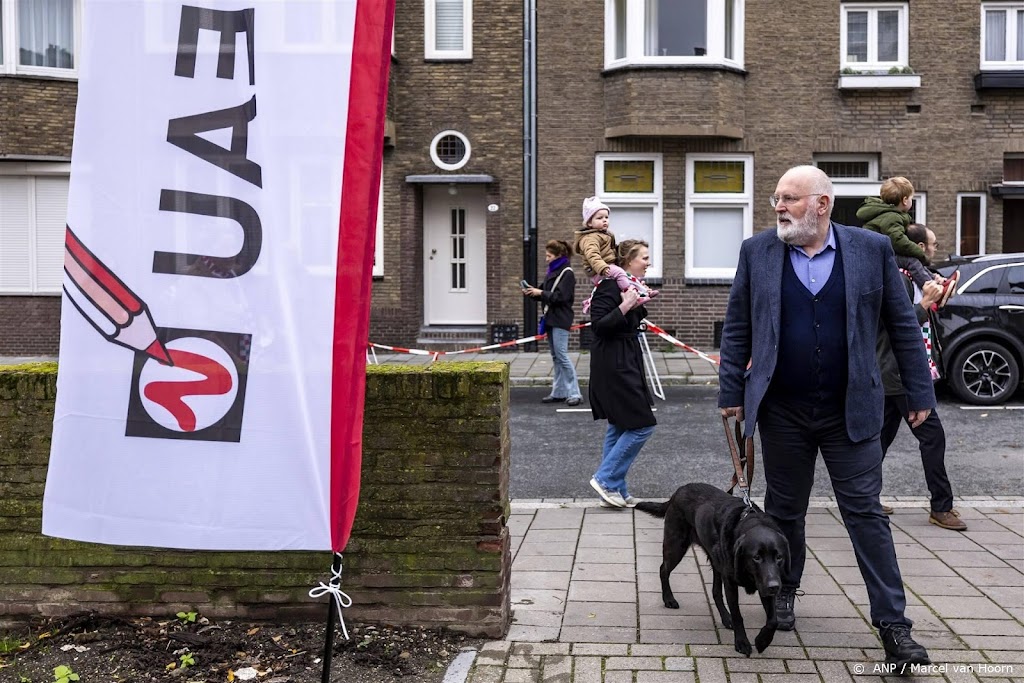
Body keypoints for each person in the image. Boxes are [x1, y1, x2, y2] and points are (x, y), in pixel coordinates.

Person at [718, 165, 935, 671]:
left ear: (822, 204)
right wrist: (733, 391)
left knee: (865, 515)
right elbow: (737, 326)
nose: (778, 206)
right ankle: (783, 592)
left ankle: (894, 627)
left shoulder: (869, 250)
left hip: (852, 409)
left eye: (790, 199)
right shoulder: (758, 252)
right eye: (776, 198)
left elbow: (902, 324)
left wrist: (918, 390)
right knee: (786, 510)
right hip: (783, 409)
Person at [877, 223, 967, 531]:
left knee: (879, 440)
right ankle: (941, 507)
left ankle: (864, 498)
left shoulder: (916, 278)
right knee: (932, 437)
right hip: (900, 373)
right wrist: (925, 304)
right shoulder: (898, 281)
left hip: (898, 372)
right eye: (930, 244)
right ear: (915, 247)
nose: (932, 250)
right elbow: (894, 326)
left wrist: (934, 297)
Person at [587, 239, 656, 509]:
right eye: (644, 258)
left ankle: (616, 489)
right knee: (642, 425)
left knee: (619, 425)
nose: (648, 262)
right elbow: (599, 326)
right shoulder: (608, 286)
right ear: (627, 261)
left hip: (625, 358)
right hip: (614, 364)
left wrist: (640, 300)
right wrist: (627, 305)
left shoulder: (628, 285)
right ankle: (605, 479)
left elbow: (628, 321)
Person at [856, 176, 959, 305]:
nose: (911, 201)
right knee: (912, 261)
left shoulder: (887, 214)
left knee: (913, 262)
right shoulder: (892, 217)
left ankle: (937, 282)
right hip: (877, 258)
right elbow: (897, 240)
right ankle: (933, 292)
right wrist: (919, 252)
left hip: (876, 256)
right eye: (911, 198)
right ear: (905, 200)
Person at [522, 240, 583, 406]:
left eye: (549, 256)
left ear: (559, 255)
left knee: (562, 356)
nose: (546, 259)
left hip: (561, 319)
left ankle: (575, 393)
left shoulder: (567, 273)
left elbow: (560, 297)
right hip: (551, 319)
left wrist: (540, 292)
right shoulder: (552, 272)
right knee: (556, 357)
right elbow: (544, 293)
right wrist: (531, 292)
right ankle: (559, 392)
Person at [573, 197, 657, 314]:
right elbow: (592, 255)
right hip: (597, 268)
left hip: (606, 265)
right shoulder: (589, 239)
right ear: (589, 223)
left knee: (628, 277)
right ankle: (629, 293)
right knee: (620, 274)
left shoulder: (606, 235)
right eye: (599, 218)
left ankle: (643, 291)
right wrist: (602, 267)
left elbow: (611, 250)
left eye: (606, 217)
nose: (604, 220)